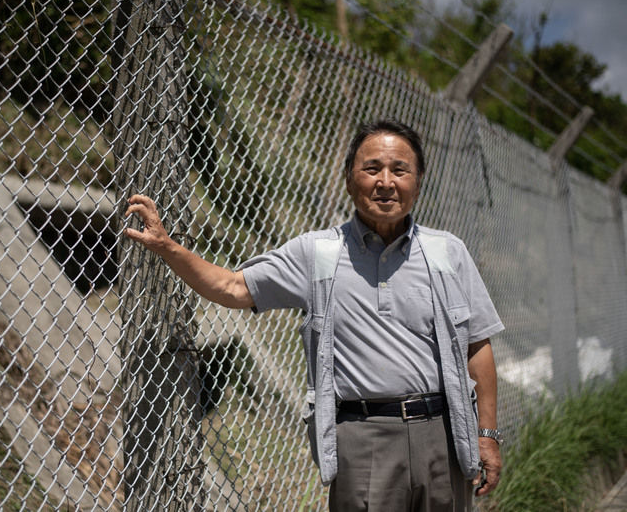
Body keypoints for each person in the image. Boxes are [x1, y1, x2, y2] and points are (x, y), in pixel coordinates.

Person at [124, 118, 503, 511]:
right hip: (364, 438)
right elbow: (232, 287)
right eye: (372, 168)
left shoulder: (448, 252)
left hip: (443, 432)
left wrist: (487, 434)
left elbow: (478, 345)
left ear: (418, 183)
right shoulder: (318, 253)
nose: (386, 181)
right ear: (349, 179)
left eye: (400, 170)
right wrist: (167, 246)